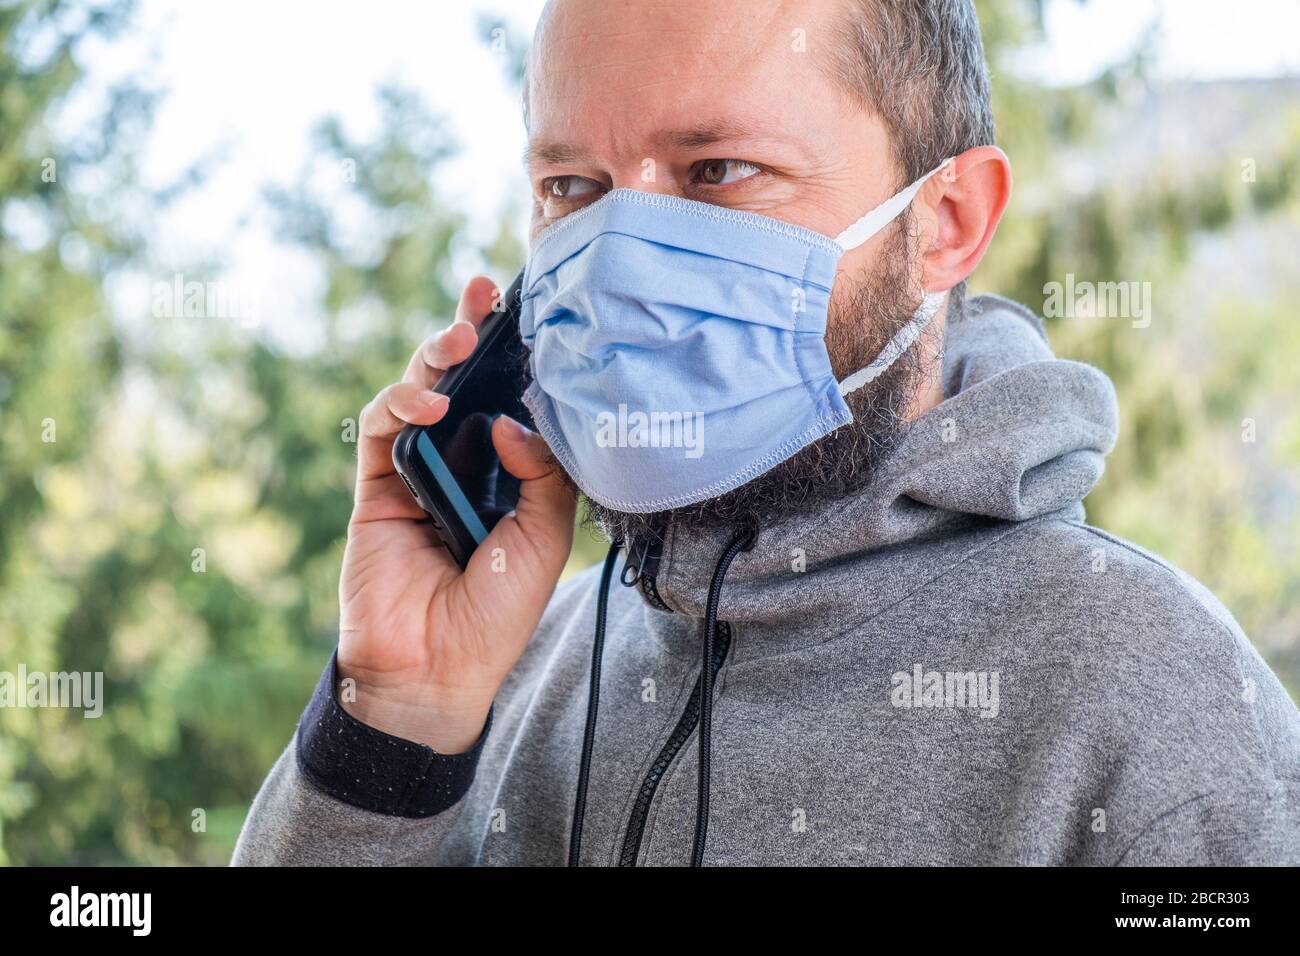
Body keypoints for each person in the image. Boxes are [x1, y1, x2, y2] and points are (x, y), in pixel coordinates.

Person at [233, 0, 1300, 866]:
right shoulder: (517, 661)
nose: (623, 258)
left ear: (948, 222)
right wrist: (399, 719)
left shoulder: (1154, 697)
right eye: (572, 187)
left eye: (717, 172)